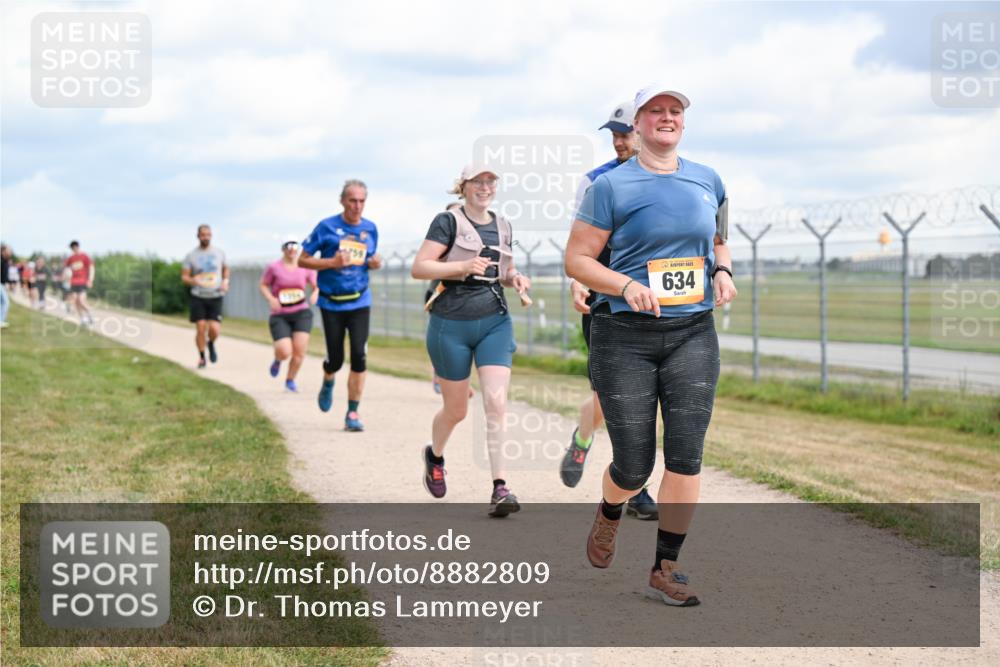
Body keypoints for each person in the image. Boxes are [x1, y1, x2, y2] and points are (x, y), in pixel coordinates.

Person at [566, 83, 737, 606]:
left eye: (675, 110)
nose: (666, 117)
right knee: (635, 464)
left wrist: (724, 270)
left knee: (686, 455)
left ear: (683, 122)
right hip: (625, 336)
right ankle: (610, 509)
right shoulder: (610, 187)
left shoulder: (708, 179)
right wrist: (625, 285)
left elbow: (718, 237)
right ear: (636, 125)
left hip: (692, 332)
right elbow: (578, 260)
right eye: (655, 111)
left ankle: (666, 567)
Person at [411, 164, 532, 517]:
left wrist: (516, 278)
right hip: (450, 323)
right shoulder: (447, 222)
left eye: (490, 181)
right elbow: (420, 268)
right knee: (457, 410)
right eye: (477, 181)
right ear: (463, 187)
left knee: (496, 402)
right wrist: (460, 268)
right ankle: (434, 456)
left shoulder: (503, 224)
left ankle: (500, 487)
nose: (485, 187)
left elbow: (503, 271)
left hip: (494, 321)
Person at [559, 100, 658, 521]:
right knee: (612, 396)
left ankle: (637, 485)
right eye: (614, 134)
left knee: (648, 396)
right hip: (605, 302)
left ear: (642, 130)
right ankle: (586, 441)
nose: (619, 140)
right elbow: (580, 244)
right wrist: (577, 281)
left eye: (625, 132)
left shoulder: (667, 178)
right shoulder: (595, 181)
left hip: (654, 304)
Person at [299, 179, 382, 431]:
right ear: (342, 201)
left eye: (361, 201)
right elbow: (303, 260)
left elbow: (368, 259)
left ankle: (352, 413)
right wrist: (331, 263)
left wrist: (374, 263)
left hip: (360, 301)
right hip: (331, 303)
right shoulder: (326, 227)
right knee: (336, 359)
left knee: (359, 356)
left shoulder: (371, 229)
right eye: (352, 200)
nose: (357, 206)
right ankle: (328, 379)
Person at [260, 237, 318, 392]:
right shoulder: (273, 267)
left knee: (299, 351)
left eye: (295, 246)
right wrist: (271, 298)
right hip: (280, 314)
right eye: (288, 246)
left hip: (301, 312)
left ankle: (290, 380)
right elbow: (264, 285)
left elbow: (316, 286)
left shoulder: (305, 266)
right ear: (283, 249)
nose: (292, 249)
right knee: (285, 351)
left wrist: (315, 294)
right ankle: (278, 359)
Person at [182, 225, 229, 369]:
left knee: (214, 329)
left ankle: (211, 343)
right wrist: (192, 280)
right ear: (198, 236)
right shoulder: (191, 256)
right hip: (198, 295)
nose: (206, 237)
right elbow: (184, 277)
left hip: (215, 295)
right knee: (201, 327)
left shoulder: (219, 252)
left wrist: (226, 281)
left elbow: (226, 269)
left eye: (208, 234)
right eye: (203, 235)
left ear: (211, 235)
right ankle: (202, 357)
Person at [64, 241, 94, 326]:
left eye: (75, 247)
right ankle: (82, 318)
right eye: (72, 248)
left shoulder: (84, 256)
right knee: (76, 301)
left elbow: (91, 268)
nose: (74, 249)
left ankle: (89, 313)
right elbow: (66, 270)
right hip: (73, 282)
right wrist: (66, 279)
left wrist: (90, 280)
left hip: (83, 281)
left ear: (78, 247)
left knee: (81, 300)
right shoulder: (71, 258)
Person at [0, 244, 11, 328]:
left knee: (2, 303)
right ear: (3, 251)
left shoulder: (6, 260)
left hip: (2, 284)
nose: (10, 251)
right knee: (6, 303)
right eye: (8, 250)